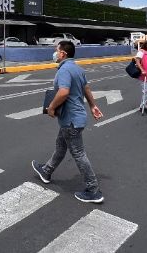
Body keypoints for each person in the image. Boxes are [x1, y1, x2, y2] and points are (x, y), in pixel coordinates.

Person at [31, 41, 105, 204]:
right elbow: (86, 88)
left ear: (63, 53)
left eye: (56, 50)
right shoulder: (77, 68)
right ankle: (46, 171)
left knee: (78, 154)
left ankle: (93, 190)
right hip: (74, 118)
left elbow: (63, 92)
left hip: (71, 119)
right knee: (61, 145)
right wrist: (92, 105)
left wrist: (51, 107)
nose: (54, 53)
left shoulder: (64, 70)